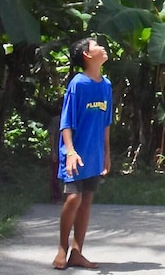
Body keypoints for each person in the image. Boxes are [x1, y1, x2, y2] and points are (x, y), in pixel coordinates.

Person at [53, 38, 113, 270]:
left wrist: (107, 153)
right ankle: (62, 248)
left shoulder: (106, 85)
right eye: (96, 45)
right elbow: (66, 122)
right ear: (87, 55)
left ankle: (77, 252)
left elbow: (106, 123)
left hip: (94, 154)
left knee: (86, 201)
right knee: (74, 198)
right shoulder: (78, 84)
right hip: (74, 154)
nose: (102, 47)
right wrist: (69, 151)